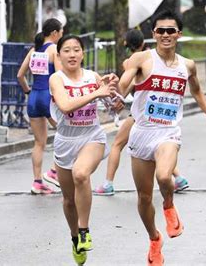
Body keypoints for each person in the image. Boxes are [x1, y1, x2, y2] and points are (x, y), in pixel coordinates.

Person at [118, 10, 206, 265]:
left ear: (179, 34)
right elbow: (123, 86)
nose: (165, 35)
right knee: (143, 198)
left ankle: (168, 204)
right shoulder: (142, 58)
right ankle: (154, 239)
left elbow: (197, 91)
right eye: (160, 31)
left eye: (170, 30)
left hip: (168, 132)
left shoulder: (187, 65)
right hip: (142, 132)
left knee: (164, 176)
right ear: (153, 34)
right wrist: (120, 85)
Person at [49, 35, 123, 265]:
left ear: (83, 54)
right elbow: (65, 106)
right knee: (69, 201)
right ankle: (75, 238)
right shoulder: (56, 79)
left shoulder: (93, 76)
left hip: (92, 136)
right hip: (65, 141)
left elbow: (114, 105)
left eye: (76, 50)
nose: (72, 54)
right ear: (59, 55)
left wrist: (114, 88)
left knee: (81, 174)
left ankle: (84, 231)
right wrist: (96, 93)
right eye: (67, 50)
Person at [94, 29, 189, 196]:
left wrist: (117, 99)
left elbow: (125, 88)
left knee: (117, 144)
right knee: (160, 145)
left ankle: (108, 183)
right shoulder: (156, 58)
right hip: (162, 114)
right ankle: (179, 178)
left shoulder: (133, 62)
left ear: (127, 45)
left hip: (142, 115)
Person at [17, 19, 63, 194]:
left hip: (34, 96)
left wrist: (28, 91)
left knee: (39, 143)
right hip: (48, 96)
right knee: (66, 133)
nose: (62, 35)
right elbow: (59, 76)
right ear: (54, 33)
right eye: (61, 32)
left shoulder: (34, 50)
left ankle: (37, 182)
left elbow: (20, 75)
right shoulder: (53, 50)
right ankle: (53, 171)